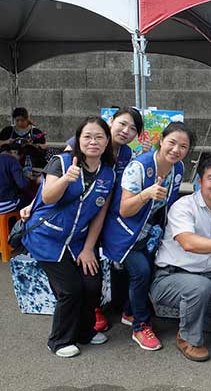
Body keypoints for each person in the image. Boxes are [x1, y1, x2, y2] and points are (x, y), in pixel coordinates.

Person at [22, 116, 116, 358]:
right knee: (70, 289)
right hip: (45, 237)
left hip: (76, 241)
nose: (93, 141)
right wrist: (66, 179)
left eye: (99, 137)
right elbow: (49, 198)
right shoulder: (61, 163)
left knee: (92, 284)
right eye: (87, 136)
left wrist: (88, 249)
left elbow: (99, 216)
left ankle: (85, 332)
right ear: (78, 140)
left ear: (107, 142)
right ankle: (58, 340)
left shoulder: (108, 174)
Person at [101, 122, 194, 351]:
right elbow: (124, 209)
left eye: (183, 146)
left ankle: (130, 312)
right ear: (161, 140)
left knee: (150, 268)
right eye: (172, 142)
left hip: (150, 232)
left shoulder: (178, 168)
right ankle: (140, 327)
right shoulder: (139, 167)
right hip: (123, 232)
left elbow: (169, 204)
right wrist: (146, 194)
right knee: (142, 272)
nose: (176, 149)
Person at [150, 156, 211, 362]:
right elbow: (188, 243)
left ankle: (193, 316)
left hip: (208, 280)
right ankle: (188, 338)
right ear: (199, 182)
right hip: (170, 279)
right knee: (199, 287)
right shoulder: (183, 207)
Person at [66, 107, 146, 332]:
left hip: (106, 213)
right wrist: (33, 204)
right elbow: (56, 174)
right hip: (77, 212)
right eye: (122, 124)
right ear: (111, 121)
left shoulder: (128, 154)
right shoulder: (86, 138)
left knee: (105, 257)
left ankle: (109, 304)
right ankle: (93, 309)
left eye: (133, 129)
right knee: (85, 257)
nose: (126, 131)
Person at [0, 144, 32, 214]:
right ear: (15, 153)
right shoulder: (11, 159)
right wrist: (26, 178)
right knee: (31, 200)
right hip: (4, 205)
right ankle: (25, 224)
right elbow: (23, 185)